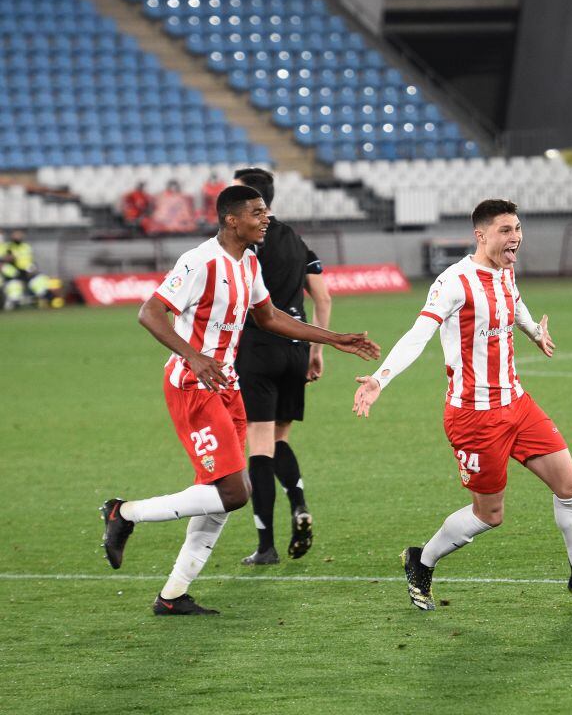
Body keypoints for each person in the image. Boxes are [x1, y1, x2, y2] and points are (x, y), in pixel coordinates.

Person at [99, 185, 380, 616]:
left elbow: (268, 317)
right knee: (233, 493)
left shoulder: (248, 261)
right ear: (232, 219)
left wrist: (333, 338)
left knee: (219, 494)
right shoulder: (199, 261)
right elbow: (149, 313)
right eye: (257, 212)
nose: (266, 219)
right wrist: (194, 358)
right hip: (193, 387)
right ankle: (124, 513)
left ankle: (172, 596)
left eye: (265, 212)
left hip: (228, 388)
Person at [352, 198, 572, 611]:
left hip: (517, 403)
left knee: (571, 485)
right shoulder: (454, 282)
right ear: (481, 234)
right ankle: (422, 559)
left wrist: (531, 332)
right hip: (475, 415)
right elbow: (418, 334)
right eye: (506, 230)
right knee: (489, 514)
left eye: (518, 229)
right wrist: (380, 379)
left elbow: (513, 299)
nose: (516, 238)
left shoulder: (505, 270)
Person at [233, 167, 331, 565]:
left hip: (257, 347)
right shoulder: (297, 240)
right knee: (280, 440)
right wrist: (317, 349)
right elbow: (322, 298)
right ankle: (299, 502)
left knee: (258, 445)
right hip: (297, 347)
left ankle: (266, 546)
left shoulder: (244, 239)